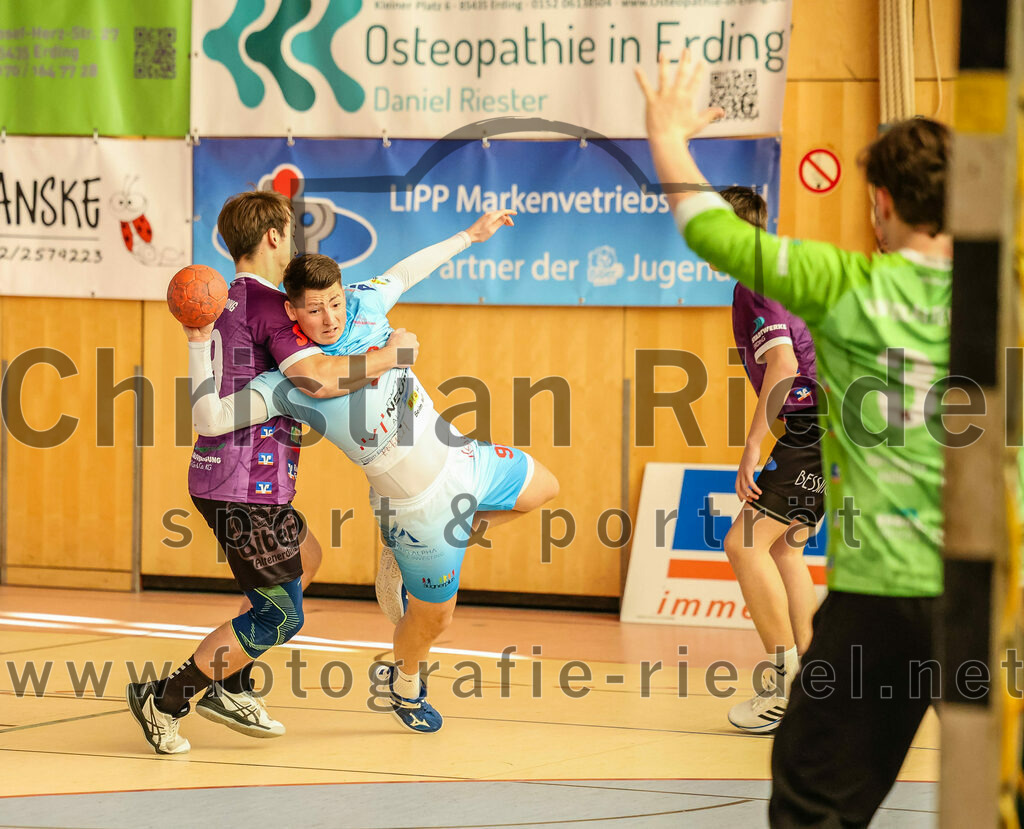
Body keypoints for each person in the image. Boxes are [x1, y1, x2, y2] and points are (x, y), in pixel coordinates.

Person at [637, 52, 950, 825]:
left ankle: (784, 669)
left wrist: (668, 134)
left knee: (814, 800)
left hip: (886, 591)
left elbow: (710, 229)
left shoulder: (841, 283)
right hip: (989, 592)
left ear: (879, 204)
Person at [187, 210, 559, 734]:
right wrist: (198, 343)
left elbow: (407, 272)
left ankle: (421, 544)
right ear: (291, 313)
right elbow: (212, 418)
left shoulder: (364, 302)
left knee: (544, 488)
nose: (331, 317)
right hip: (417, 507)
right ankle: (404, 686)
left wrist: (469, 236)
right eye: (315, 311)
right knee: (434, 621)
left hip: (463, 456)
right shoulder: (291, 384)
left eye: (335, 302)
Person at [127, 190, 417, 755]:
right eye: (292, 230)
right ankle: (167, 699)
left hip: (238, 479)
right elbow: (319, 379)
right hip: (243, 485)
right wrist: (392, 356)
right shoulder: (269, 306)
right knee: (280, 617)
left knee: (307, 557)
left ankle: (228, 681)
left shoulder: (225, 299)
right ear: (276, 237)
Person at [716, 186, 822, 734]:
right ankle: (815, 688)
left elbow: (782, 366)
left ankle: (783, 686)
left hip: (813, 430)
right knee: (783, 549)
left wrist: (752, 445)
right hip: (832, 429)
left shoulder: (755, 282)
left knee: (743, 542)